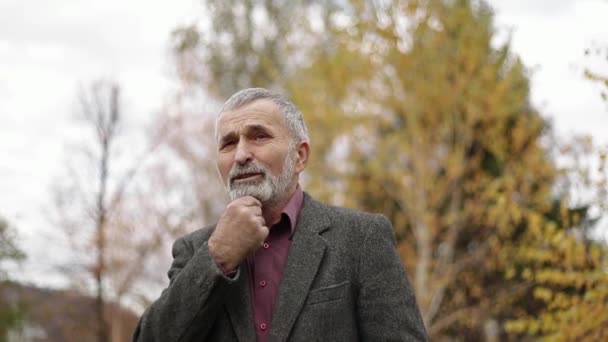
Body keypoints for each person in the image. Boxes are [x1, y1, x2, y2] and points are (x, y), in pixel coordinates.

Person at [132, 88, 427, 341]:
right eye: (229, 143)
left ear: (299, 156)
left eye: (259, 137)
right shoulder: (195, 250)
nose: (241, 155)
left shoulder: (361, 238)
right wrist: (217, 260)